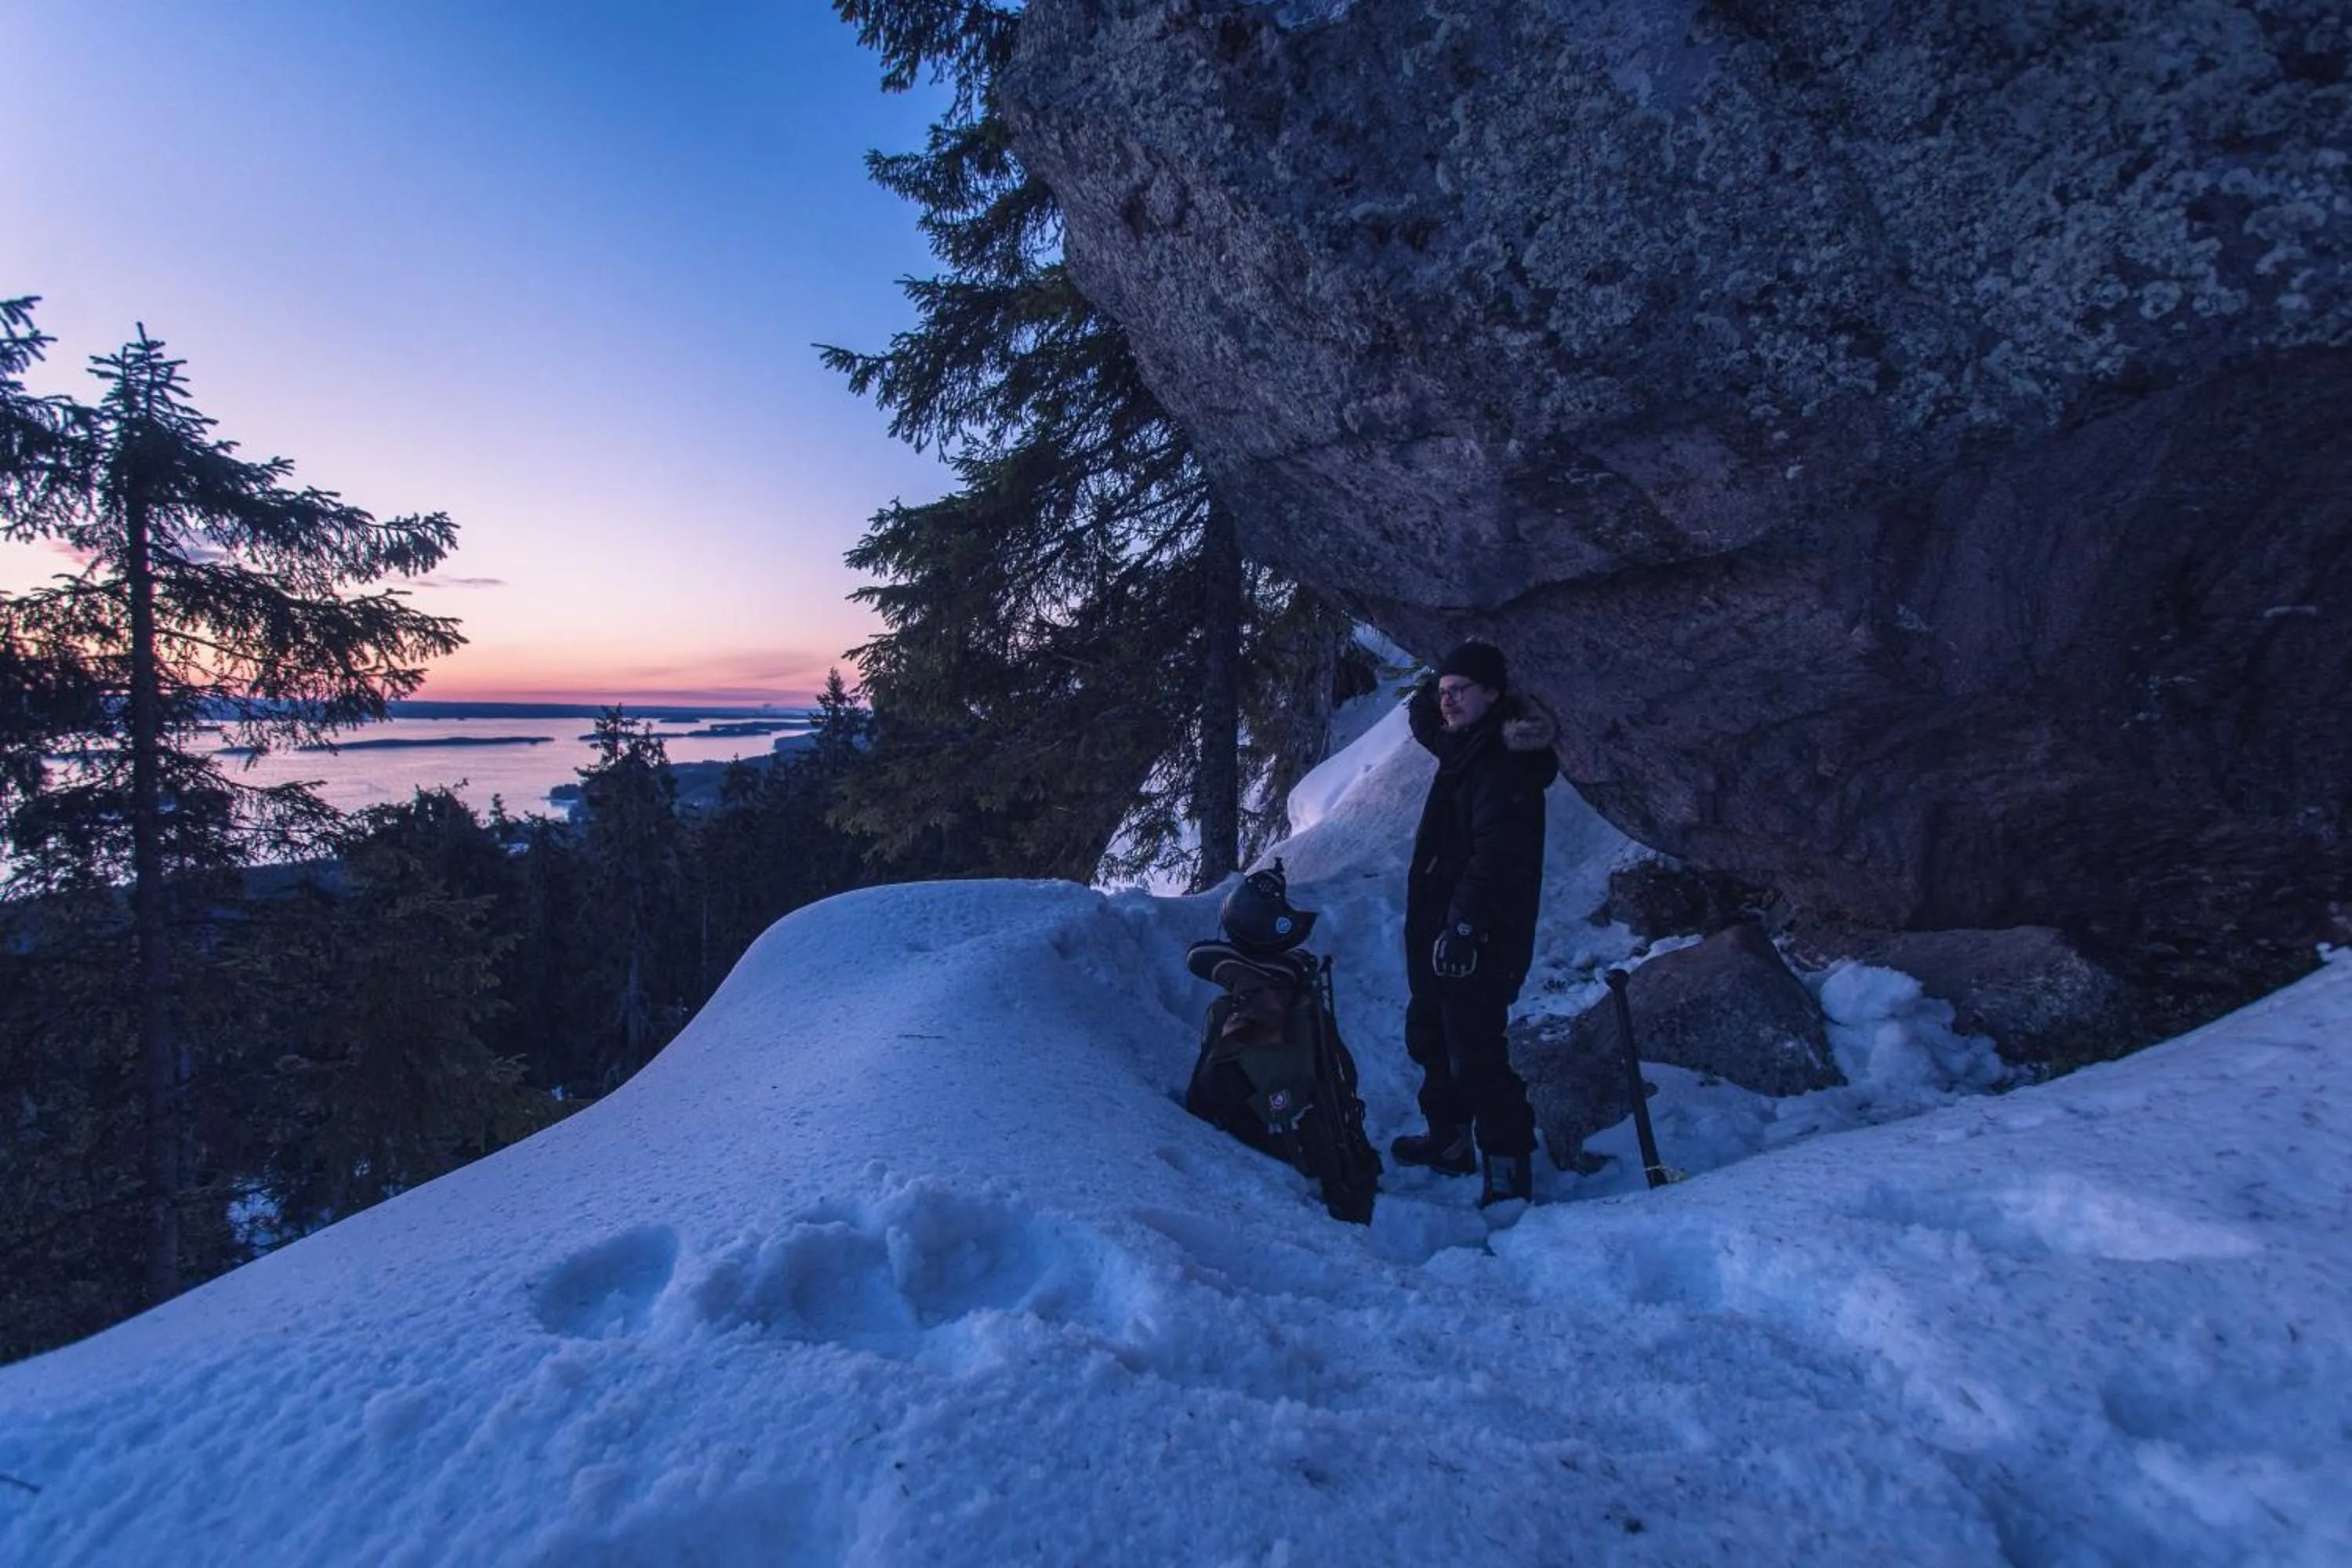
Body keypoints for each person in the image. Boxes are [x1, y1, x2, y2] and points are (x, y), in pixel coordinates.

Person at [1391, 638, 1557, 1207]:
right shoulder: (1462, 745)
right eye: (1443, 692)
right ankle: (1450, 1143)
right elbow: (1426, 722)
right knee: (1431, 1038)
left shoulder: (1504, 764)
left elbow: (1497, 861)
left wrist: (1463, 929)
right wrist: (1436, 675)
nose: (1448, 702)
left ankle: (1509, 1169)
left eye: (1461, 691)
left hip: (1480, 938)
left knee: (1476, 1055)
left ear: (1495, 693)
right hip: (1440, 932)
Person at [1183, 862, 1380, 1224]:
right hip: (1300, 1120)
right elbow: (1201, 957)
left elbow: (1200, 957)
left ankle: (1319, 1173)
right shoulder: (1294, 983)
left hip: (1282, 1120)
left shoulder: (1269, 994)